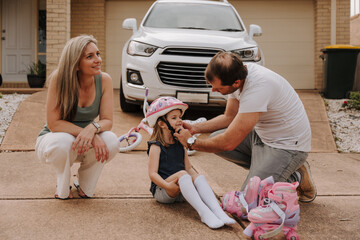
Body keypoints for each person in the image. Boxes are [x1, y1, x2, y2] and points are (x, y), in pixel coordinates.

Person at [174, 51, 317, 203]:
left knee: (248, 204)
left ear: (236, 83)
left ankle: (295, 175)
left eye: (217, 88)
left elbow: (229, 142)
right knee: (214, 139)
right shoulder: (236, 74)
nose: (213, 90)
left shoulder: (258, 87)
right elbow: (229, 117)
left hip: (287, 146)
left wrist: (192, 143)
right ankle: (276, 170)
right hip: (263, 135)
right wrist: (194, 128)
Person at [35, 35, 119, 199]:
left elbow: (107, 121)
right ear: (76, 64)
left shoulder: (105, 80)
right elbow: (54, 124)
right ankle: (62, 181)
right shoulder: (59, 79)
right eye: (90, 56)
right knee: (63, 141)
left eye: (98, 54)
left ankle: (85, 183)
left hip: (82, 142)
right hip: (53, 141)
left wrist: (92, 129)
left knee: (111, 140)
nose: (98, 60)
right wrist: (91, 135)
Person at [146, 97, 236, 229]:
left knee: (197, 175)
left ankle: (218, 212)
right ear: (162, 124)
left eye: (180, 117)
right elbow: (152, 174)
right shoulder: (156, 146)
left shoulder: (180, 142)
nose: (179, 120)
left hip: (182, 189)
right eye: (174, 118)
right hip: (164, 190)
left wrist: (197, 180)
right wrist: (167, 185)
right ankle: (204, 214)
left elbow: (189, 168)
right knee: (183, 174)